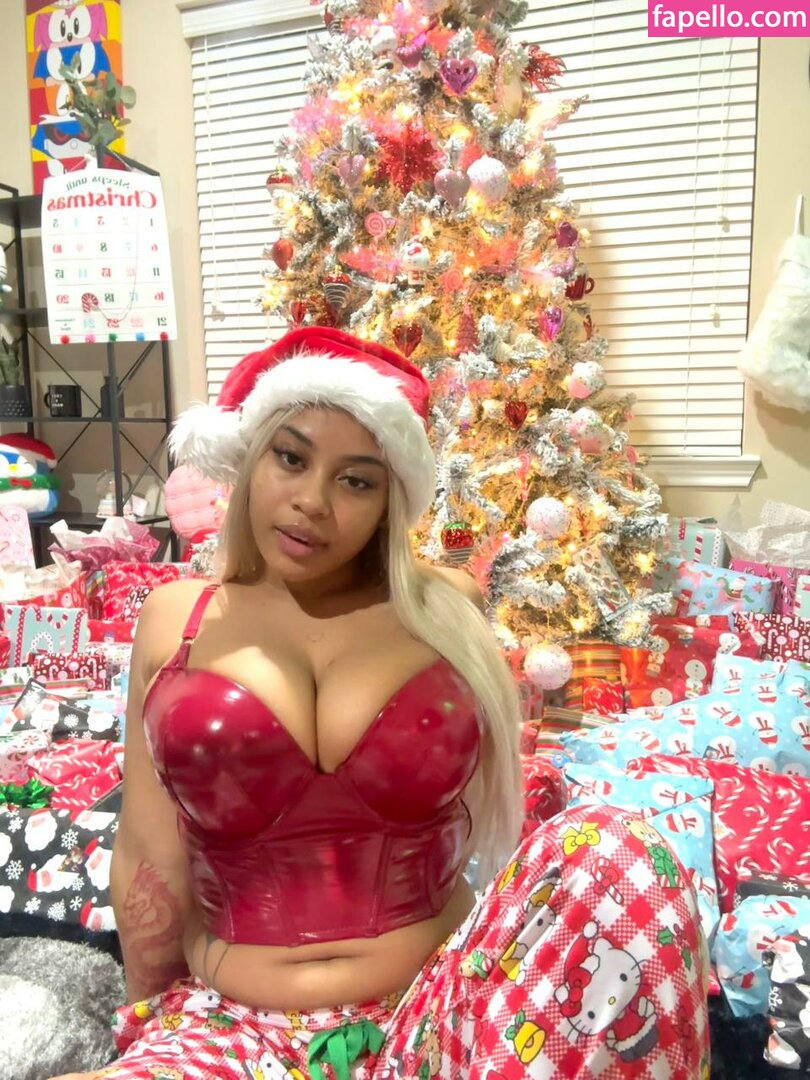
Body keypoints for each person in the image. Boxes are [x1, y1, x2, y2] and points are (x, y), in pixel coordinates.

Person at [50, 328, 709, 1080]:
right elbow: (148, 853)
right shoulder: (175, 618)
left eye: (356, 481)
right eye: (291, 458)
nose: (311, 501)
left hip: (442, 1011)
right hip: (235, 1027)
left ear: (390, 498)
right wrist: (148, 1029)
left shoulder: (445, 609)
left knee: (619, 844)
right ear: (250, 455)